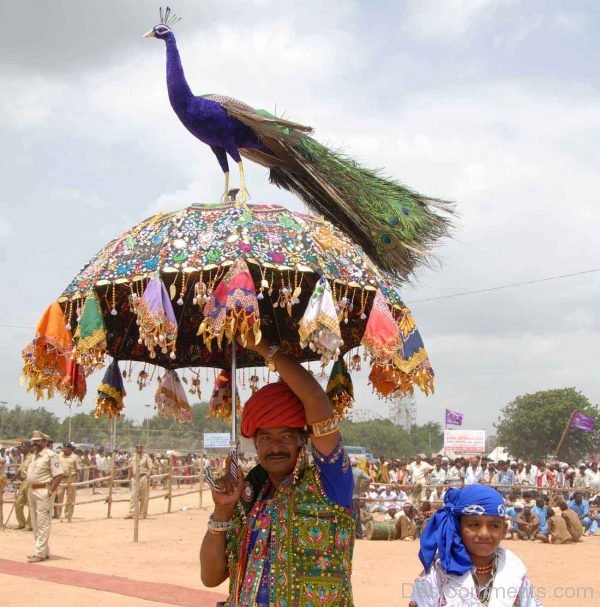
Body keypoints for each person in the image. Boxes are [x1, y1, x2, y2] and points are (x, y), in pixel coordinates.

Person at [199, 336, 354, 607]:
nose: (276, 447)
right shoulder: (249, 498)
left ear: (301, 439)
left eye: (285, 436)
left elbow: (316, 398)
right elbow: (211, 578)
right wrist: (222, 510)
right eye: (267, 438)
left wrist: (262, 347)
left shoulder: (328, 483)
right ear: (256, 443)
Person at [411, 485, 542, 606]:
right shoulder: (437, 573)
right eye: (474, 525)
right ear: (458, 528)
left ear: (504, 530)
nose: (484, 534)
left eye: (494, 526)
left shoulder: (514, 571)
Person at [26, 431, 64, 563]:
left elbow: (59, 475)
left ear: (45, 442)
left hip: (43, 491)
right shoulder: (34, 455)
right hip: (32, 491)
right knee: (35, 523)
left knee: (43, 523)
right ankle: (43, 551)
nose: (34, 443)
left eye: (37, 441)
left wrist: (50, 491)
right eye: (33, 441)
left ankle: (39, 553)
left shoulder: (50, 455)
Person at [125, 444, 153, 519]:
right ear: (136, 449)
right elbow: (130, 467)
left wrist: (148, 473)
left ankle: (142, 513)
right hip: (134, 478)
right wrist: (129, 476)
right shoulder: (133, 457)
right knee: (133, 495)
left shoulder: (146, 457)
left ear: (142, 449)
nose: (139, 449)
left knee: (143, 496)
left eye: (140, 448)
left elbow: (151, 467)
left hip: (143, 477)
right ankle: (132, 512)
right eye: (137, 448)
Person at [54, 443, 80, 522]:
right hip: (60, 478)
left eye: (65, 449)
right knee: (59, 496)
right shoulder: (59, 456)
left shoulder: (75, 457)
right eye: (63, 449)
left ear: (70, 449)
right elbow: (55, 466)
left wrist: (77, 481)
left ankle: (68, 513)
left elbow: (78, 469)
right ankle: (58, 513)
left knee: (70, 497)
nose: (64, 450)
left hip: (71, 478)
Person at [12, 441, 33, 530]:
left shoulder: (32, 457)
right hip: (23, 482)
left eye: (23, 447)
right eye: (21, 447)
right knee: (18, 503)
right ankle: (21, 523)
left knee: (31, 504)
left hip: (30, 482)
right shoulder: (24, 457)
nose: (21, 449)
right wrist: (14, 478)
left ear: (29, 448)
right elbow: (21, 470)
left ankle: (30, 525)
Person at [351, 457, 370, 539]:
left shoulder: (346, 471)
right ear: (357, 464)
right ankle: (358, 534)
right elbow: (368, 479)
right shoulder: (359, 471)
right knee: (357, 515)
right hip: (355, 497)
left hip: (346, 497)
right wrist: (364, 488)